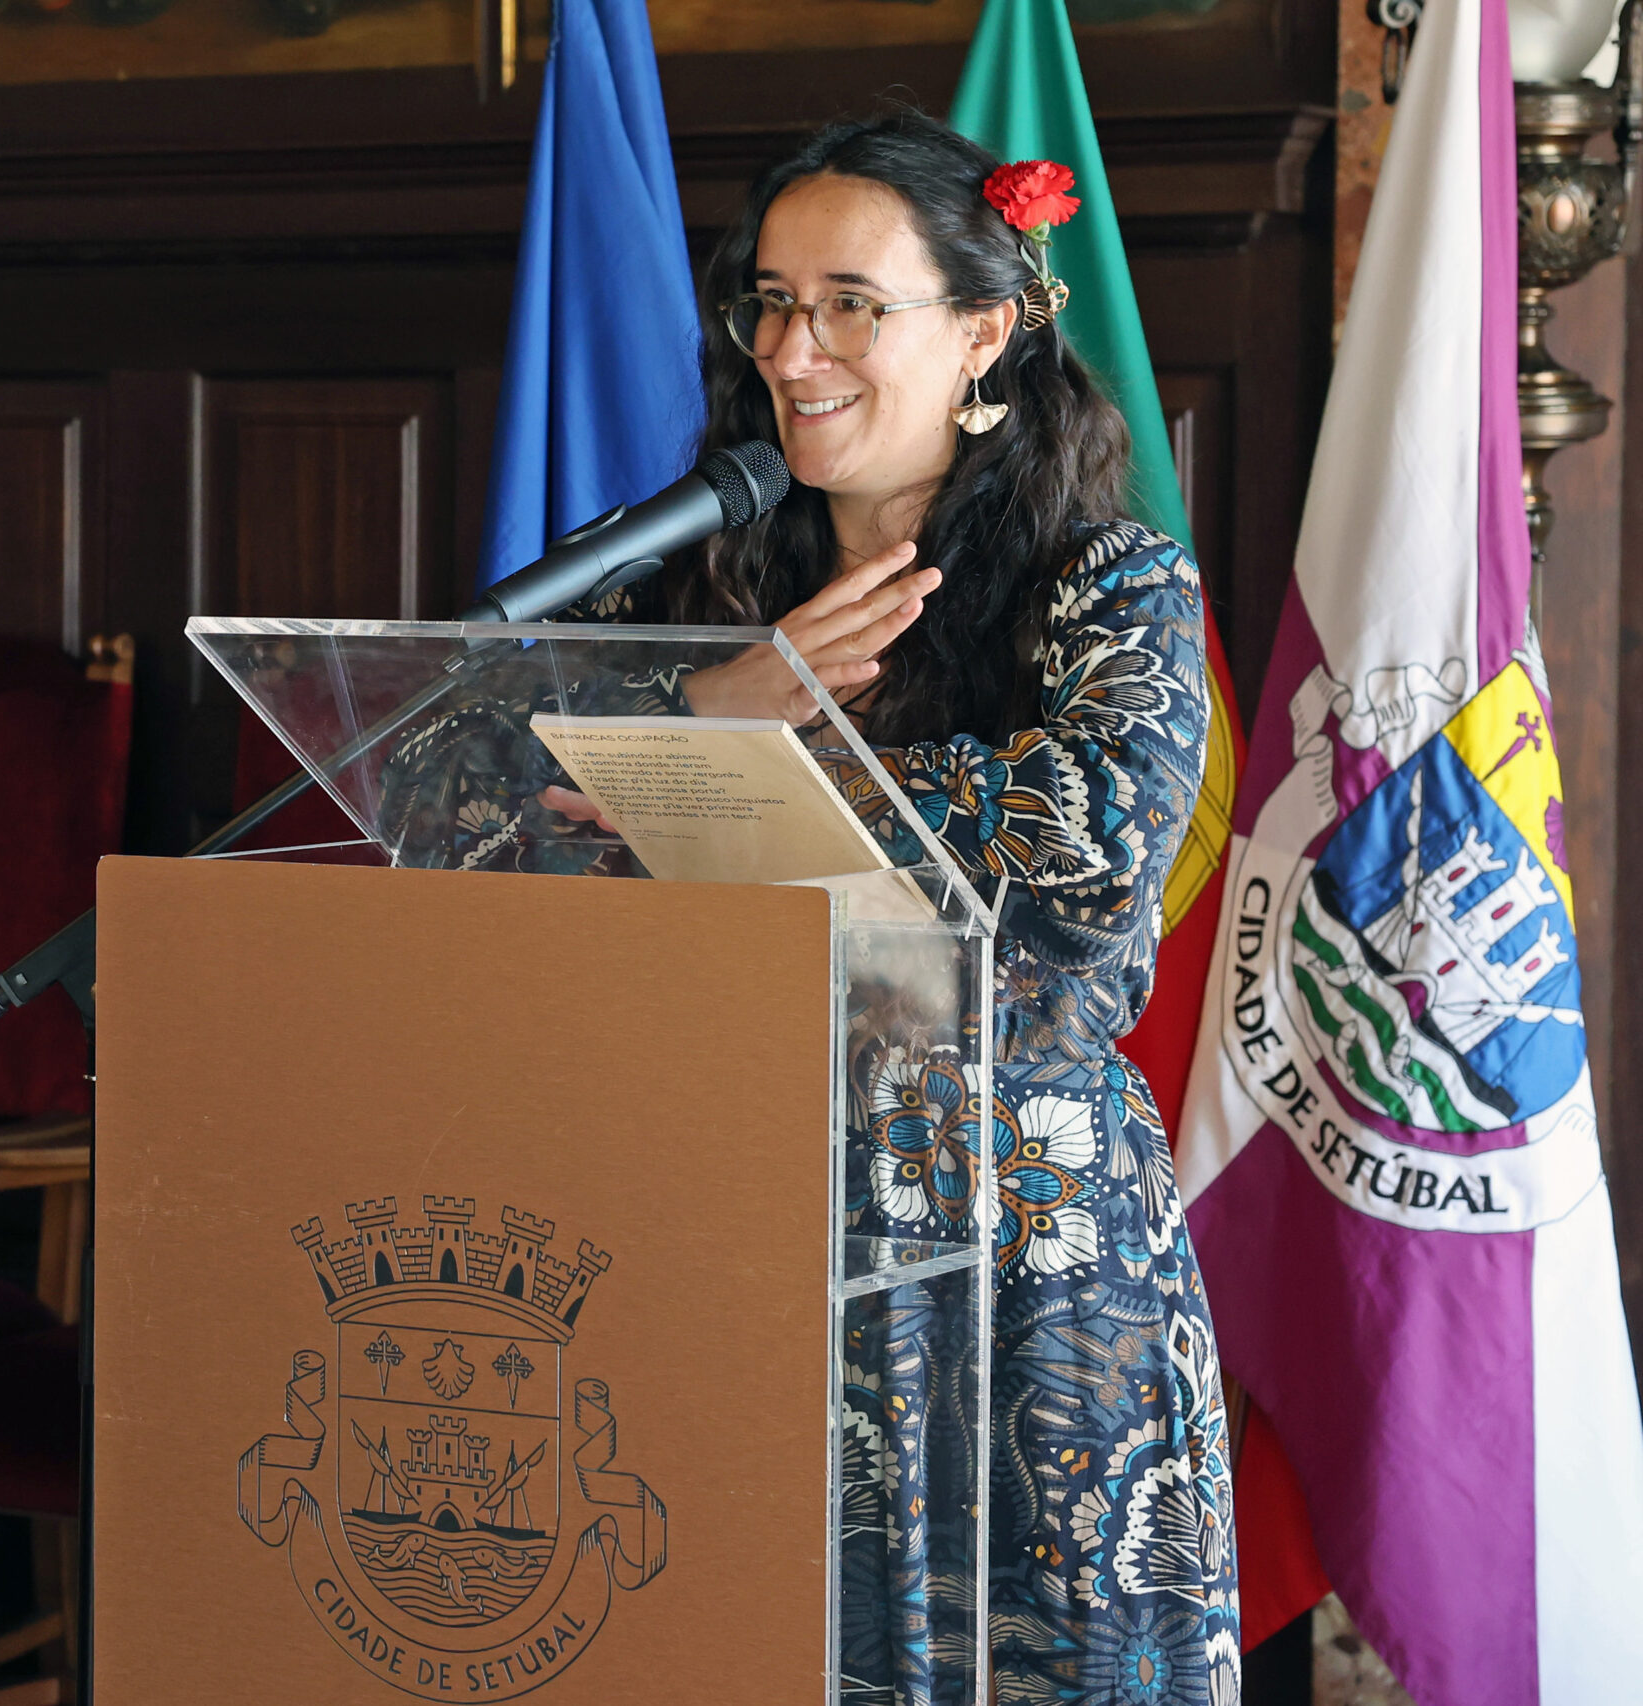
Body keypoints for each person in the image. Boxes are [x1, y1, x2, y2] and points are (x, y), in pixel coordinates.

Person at [381, 108, 1240, 1704]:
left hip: (1009, 1260)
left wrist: (743, 771)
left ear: (986, 326)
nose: (797, 345)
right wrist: (715, 711)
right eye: (772, 300)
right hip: (708, 1220)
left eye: (854, 300)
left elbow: (1084, 869)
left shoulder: (1109, 584)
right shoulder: (685, 574)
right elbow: (437, 795)